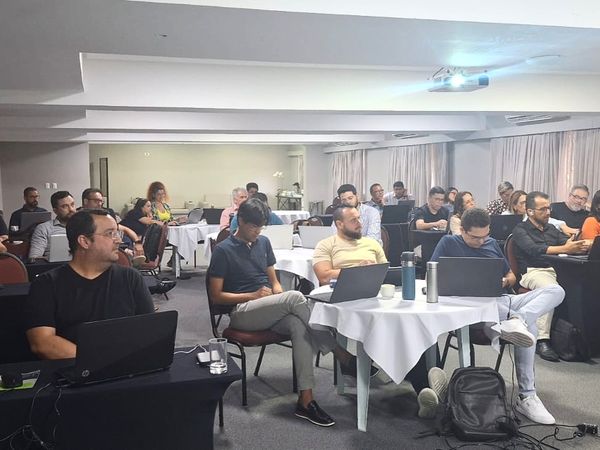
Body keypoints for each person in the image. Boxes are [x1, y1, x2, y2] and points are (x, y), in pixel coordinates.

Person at [208, 198, 363, 427]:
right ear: (240, 221)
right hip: (242, 312)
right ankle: (340, 353)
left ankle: (306, 400)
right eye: (253, 227)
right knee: (296, 297)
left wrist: (276, 293)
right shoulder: (223, 250)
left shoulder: (263, 243)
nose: (257, 232)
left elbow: (274, 281)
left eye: (261, 227)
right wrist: (252, 296)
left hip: (267, 306)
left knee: (297, 324)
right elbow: (216, 296)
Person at [430, 208, 564, 424]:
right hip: (472, 310)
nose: (482, 241)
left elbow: (510, 275)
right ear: (462, 230)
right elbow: (433, 276)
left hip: (502, 301)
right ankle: (527, 396)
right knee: (530, 327)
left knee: (556, 291)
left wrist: (505, 281)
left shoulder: (491, 243)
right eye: (476, 237)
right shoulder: (448, 243)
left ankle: (517, 320)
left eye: (485, 235)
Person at [313, 204, 433, 417]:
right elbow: (323, 275)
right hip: (345, 299)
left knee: (412, 323)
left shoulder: (371, 243)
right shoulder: (326, 245)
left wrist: (374, 271)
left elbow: (386, 271)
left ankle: (425, 388)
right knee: (398, 327)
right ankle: (419, 380)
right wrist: (356, 269)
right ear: (339, 224)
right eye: (353, 220)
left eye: (359, 218)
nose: (360, 223)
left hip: (375, 296)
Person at [23, 209, 155, 359]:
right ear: (84, 241)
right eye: (110, 233)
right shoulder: (46, 284)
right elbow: (42, 342)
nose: (118, 240)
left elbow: (149, 329)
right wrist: (97, 361)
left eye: (117, 233)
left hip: (126, 365)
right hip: (72, 368)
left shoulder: (131, 278)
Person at [511, 191, 590, 362]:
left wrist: (582, 244)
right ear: (530, 211)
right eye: (543, 209)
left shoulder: (551, 229)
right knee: (551, 289)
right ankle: (542, 339)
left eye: (549, 208)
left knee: (584, 285)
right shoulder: (520, 230)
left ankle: (584, 337)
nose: (548, 212)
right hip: (533, 271)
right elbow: (534, 250)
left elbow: (566, 243)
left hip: (556, 269)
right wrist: (565, 248)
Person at [28, 191, 77, 261]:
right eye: (65, 206)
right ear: (55, 211)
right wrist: (52, 259)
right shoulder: (43, 228)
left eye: (72, 204)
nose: (71, 209)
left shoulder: (85, 226)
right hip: (56, 265)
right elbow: (34, 258)